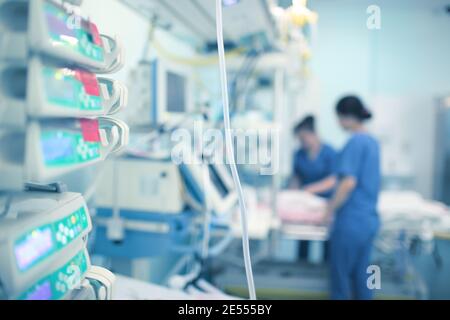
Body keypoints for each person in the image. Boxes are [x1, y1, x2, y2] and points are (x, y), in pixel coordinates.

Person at [327, 95, 381, 300]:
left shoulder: (355, 142)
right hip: (368, 220)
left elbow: (348, 183)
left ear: (345, 116)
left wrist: (329, 210)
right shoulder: (372, 142)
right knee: (362, 278)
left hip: (351, 222)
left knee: (340, 280)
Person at [291, 115, 337, 198]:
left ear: (314, 134)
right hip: (305, 199)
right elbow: (296, 178)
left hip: (325, 200)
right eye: (299, 139)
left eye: (303, 138)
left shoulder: (329, 153)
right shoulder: (299, 154)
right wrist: (293, 194)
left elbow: (333, 180)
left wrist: (309, 190)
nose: (301, 142)